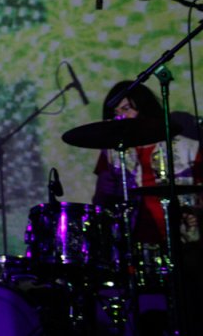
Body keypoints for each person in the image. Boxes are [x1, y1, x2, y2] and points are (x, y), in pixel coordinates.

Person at [91, 81, 202, 332]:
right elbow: (99, 200)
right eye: (115, 112)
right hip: (132, 245)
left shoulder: (187, 147)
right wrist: (105, 193)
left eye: (127, 108)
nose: (121, 117)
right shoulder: (112, 153)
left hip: (184, 242)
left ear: (146, 108)